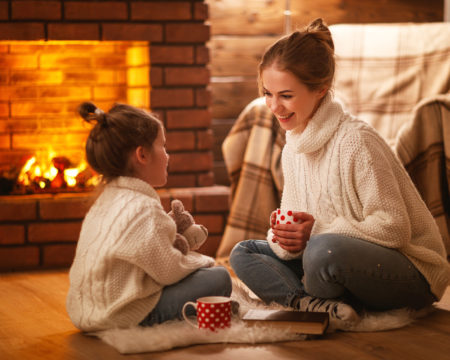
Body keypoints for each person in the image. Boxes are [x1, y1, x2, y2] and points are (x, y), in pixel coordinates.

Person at [229, 18, 450, 322]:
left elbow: (394, 227)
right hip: (328, 259)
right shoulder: (293, 148)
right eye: (268, 93)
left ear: (320, 89)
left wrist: (314, 233)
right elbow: (301, 232)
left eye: (286, 95)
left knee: (324, 251)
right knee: (244, 252)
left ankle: (312, 294)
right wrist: (285, 236)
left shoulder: (357, 141)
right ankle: (315, 305)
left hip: (408, 272)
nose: (273, 106)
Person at [66, 102, 231, 332]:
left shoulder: (104, 202)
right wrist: (203, 262)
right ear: (142, 154)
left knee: (204, 275)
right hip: (119, 314)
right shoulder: (143, 208)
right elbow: (169, 270)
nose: (167, 154)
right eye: (163, 146)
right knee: (219, 277)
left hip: (85, 310)